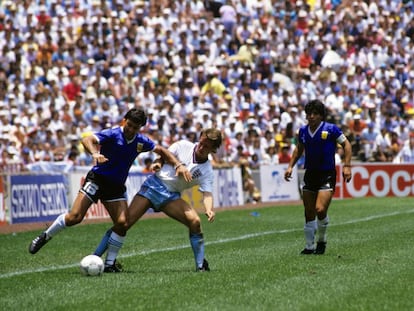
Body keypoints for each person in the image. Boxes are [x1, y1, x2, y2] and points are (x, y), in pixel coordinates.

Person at [28, 108, 191, 272]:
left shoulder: (141, 141)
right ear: (124, 120)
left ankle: (110, 264)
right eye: (129, 125)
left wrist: (178, 165)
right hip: (97, 180)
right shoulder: (112, 134)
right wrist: (94, 153)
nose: (131, 130)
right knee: (74, 217)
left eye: (136, 127)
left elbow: (162, 150)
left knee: (122, 224)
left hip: (116, 187)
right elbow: (87, 140)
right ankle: (45, 236)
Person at [93, 128, 222, 272]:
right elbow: (162, 155)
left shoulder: (207, 171)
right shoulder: (183, 145)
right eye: (202, 143)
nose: (202, 147)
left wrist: (209, 209)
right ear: (200, 138)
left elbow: (207, 194)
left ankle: (200, 266)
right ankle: (95, 257)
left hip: (171, 196)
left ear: (214, 150)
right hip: (153, 187)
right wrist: (158, 164)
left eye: (207, 147)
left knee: (195, 222)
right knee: (123, 224)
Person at [284, 99, 352, 255]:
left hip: (327, 174)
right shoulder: (302, 131)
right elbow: (298, 149)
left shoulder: (331, 129)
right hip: (310, 174)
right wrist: (290, 166)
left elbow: (347, 145)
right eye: (309, 113)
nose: (311, 116)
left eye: (315, 113)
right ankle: (309, 246)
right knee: (309, 212)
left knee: (320, 209)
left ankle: (322, 240)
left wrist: (347, 166)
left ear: (321, 115)